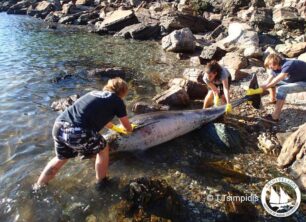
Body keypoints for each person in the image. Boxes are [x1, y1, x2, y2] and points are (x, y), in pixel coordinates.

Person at [34, 77, 134, 190]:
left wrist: (115, 128)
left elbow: (100, 119)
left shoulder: (93, 93)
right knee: (103, 148)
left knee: (60, 158)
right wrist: (129, 129)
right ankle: (101, 182)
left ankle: (39, 186)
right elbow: (127, 126)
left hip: (59, 126)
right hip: (77, 131)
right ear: (123, 91)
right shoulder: (117, 101)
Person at [246, 53, 306, 123]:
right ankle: (273, 100)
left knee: (282, 89)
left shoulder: (288, 64)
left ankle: (275, 117)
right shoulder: (275, 68)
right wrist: (257, 89)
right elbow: (268, 81)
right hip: (295, 81)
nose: (269, 68)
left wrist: (261, 89)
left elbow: (275, 81)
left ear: (275, 63)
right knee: (270, 84)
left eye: (270, 65)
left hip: (304, 82)